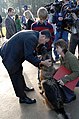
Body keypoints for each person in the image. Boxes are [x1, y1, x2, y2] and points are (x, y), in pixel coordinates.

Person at [0, 29, 52, 104]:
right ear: (43, 36)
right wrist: (42, 62)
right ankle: (22, 98)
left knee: (19, 70)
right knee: (15, 75)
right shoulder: (32, 38)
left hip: (12, 51)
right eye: (45, 41)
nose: (44, 43)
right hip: (9, 55)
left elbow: (28, 50)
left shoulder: (34, 34)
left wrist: (36, 57)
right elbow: (28, 56)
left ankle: (23, 87)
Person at [42, 39, 79, 119]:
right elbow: (63, 68)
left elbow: (77, 72)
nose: (55, 50)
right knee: (57, 81)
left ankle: (71, 96)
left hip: (76, 77)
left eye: (57, 48)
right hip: (70, 74)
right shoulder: (63, 57)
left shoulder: (71, 58)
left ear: (62, 48)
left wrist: (65, 79)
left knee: (63, 86)